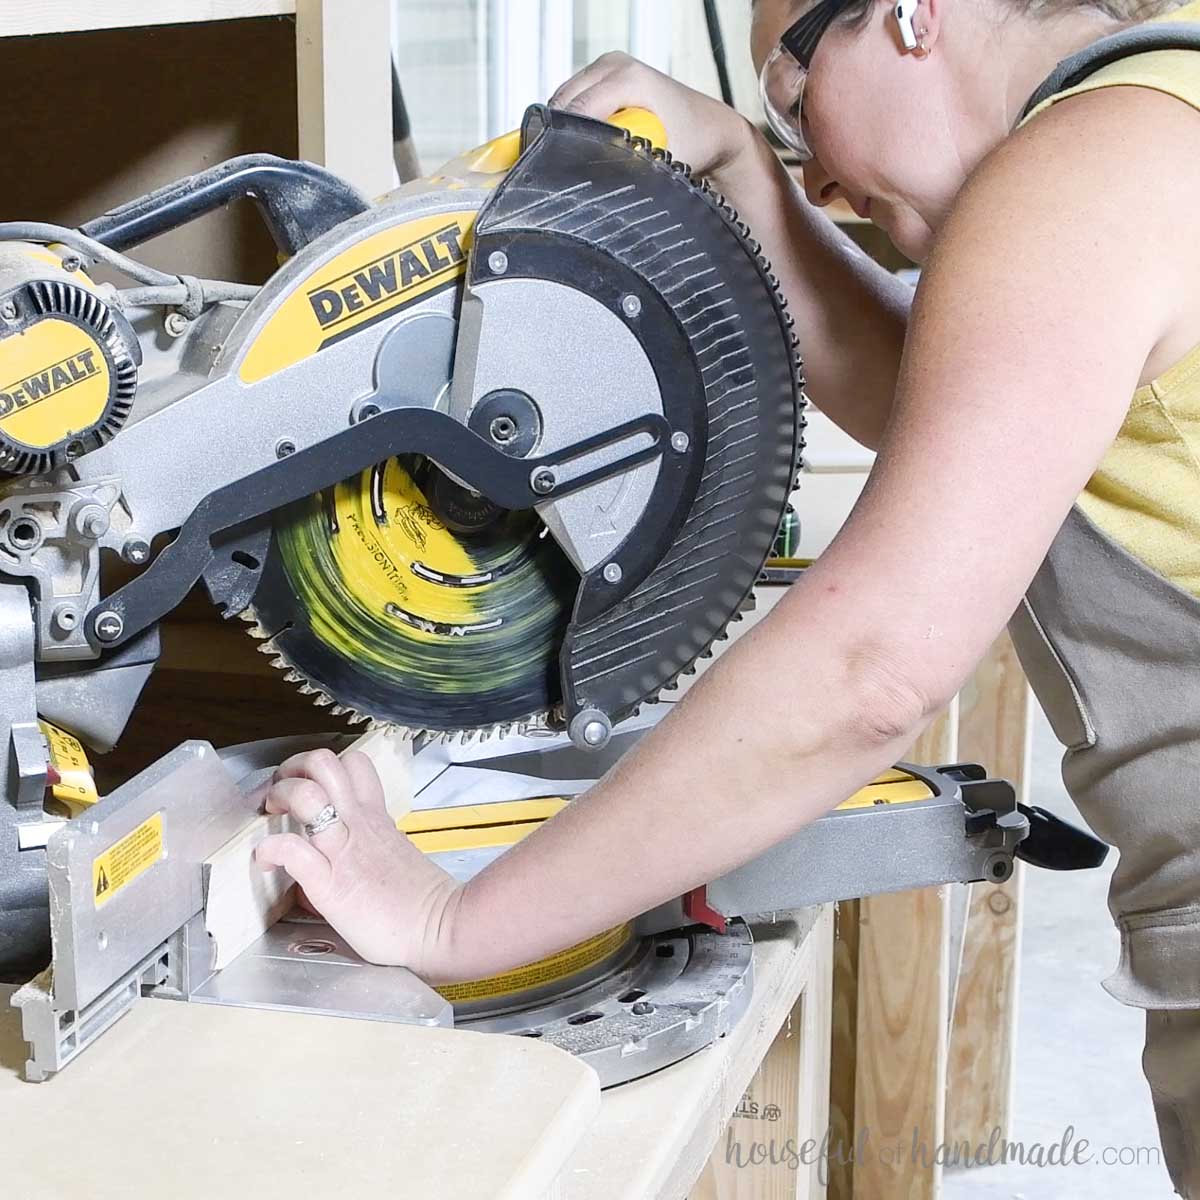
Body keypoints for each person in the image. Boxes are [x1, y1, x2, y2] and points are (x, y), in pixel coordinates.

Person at [255, 0, 1200, 1191]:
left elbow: (870, 672)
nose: (829, 183)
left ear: (911, 14)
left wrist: (457, 924)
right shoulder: (1162, 106)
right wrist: (751, 176)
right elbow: (960, 400)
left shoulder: (1076, 170)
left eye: (794, 99)